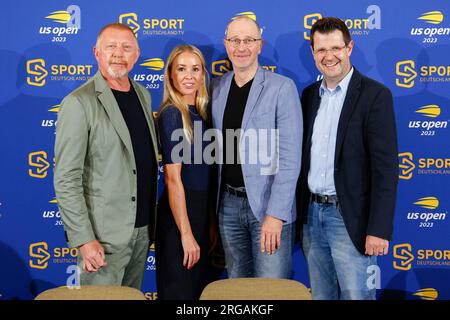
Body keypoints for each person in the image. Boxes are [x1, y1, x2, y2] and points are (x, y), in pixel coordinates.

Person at [296, 17, 399, 300]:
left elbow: (385, 170)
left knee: (357, 296)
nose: (329, 56)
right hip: (311, 219)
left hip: (350, 219)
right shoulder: (307, 97)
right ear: (313, 53)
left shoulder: (375, 96)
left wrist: (378, 229)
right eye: (321, 50)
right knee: (321, 296)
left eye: (336, 48)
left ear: (349, 47)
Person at [54, 23, 159, 289]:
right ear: (96, 53)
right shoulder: (78, 103)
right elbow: (66, 178)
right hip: (103, 239)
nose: (118, 54)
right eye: (110, 46)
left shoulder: (143, 95)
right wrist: (84, 239)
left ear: (137, 54)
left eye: (126, 47)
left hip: (142, 231)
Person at [210, 16, 303, 278]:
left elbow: (290, 158)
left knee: (271, 291)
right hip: (227, 206)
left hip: (267, 207)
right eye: (235, 40)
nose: (241, 47)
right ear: (226, 44)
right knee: (238, 289)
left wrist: (276, 215)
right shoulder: (216, 88)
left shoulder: (282, 88)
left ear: (260, 45)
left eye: (249, 40)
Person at [155, 44, 214, 300]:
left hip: (201, 217)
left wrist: (208, 222)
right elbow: (173, 180)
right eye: (181, 69)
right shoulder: (172, 115)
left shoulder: (203, 113)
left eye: (195, 69)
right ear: (171, 75)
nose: (189, 76)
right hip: (179, 222)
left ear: (203, 75)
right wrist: (186, 234)